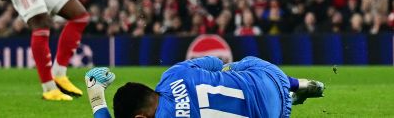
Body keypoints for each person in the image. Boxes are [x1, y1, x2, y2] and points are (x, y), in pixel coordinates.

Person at [84, 56, 324, 118]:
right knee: (230, 68)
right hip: (271, 78)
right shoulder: (171, 75)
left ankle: (291, 92)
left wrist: (96, 95)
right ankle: (296, 84)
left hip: (274, 116)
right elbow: (216, 63)